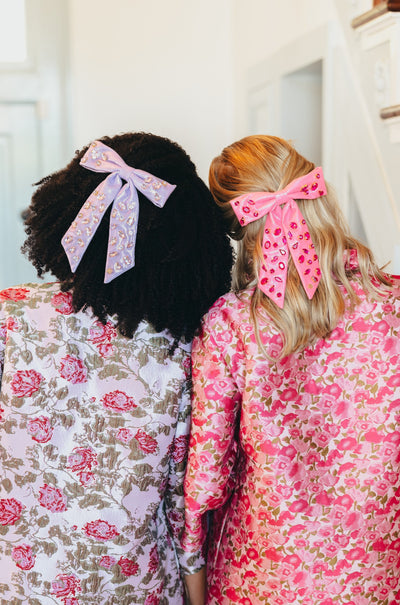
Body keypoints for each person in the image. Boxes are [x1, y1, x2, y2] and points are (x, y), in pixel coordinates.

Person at [0, 132, 233, 605]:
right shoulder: (187, 344)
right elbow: (182, 502)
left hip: (20, 584)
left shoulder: (9, 316)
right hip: (136, 586)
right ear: (190, 239)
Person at [182, 134, 400, 604]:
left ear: (237, 228)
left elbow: (205, 477)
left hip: (262, 574)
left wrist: (192, 571)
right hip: (377, 570)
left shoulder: (230, 323)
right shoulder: (394, 305)